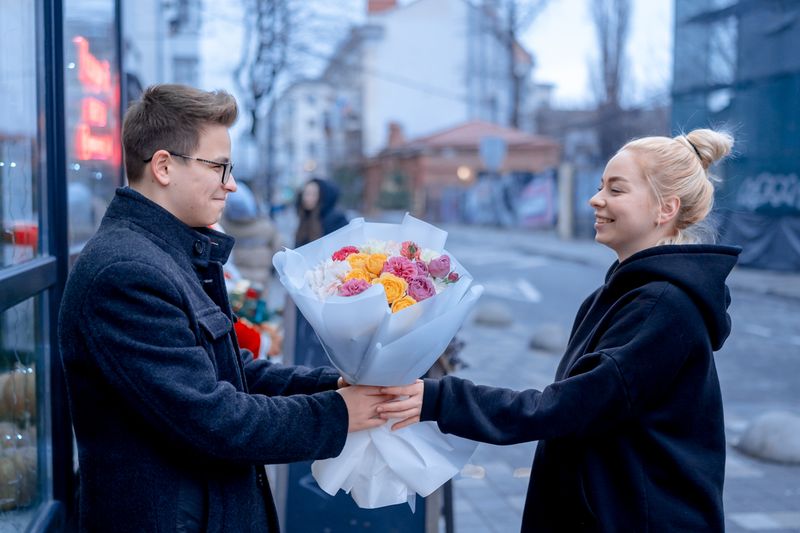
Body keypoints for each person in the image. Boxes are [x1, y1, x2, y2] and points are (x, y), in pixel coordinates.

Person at [57, 84, 387, 532]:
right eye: (219, 167)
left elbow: (234, 371)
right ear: (164, 166)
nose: (231, 183)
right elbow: (215, 419)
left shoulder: (164, 252)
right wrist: (341, 411)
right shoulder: (126, 271)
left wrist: (336, 383)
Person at [379, 129, 741, 532]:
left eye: (616, 189)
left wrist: (441, 399)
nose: (595, 199)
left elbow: (569, 408)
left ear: (665, 208)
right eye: (601, 185)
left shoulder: (662, 306)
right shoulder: (624, 292)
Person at [291, 178, 349, 367]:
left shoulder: (335, 220)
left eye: (313, 194)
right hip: (306, 286)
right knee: (305, 335)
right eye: (306, 193)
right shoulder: (305, 219)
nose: (308, 198)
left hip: (328, 288)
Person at [221, 181, 281, 288]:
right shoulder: (266, 228)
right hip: (260, 284)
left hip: (236, 283)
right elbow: (279, 251)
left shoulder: (223, 227)